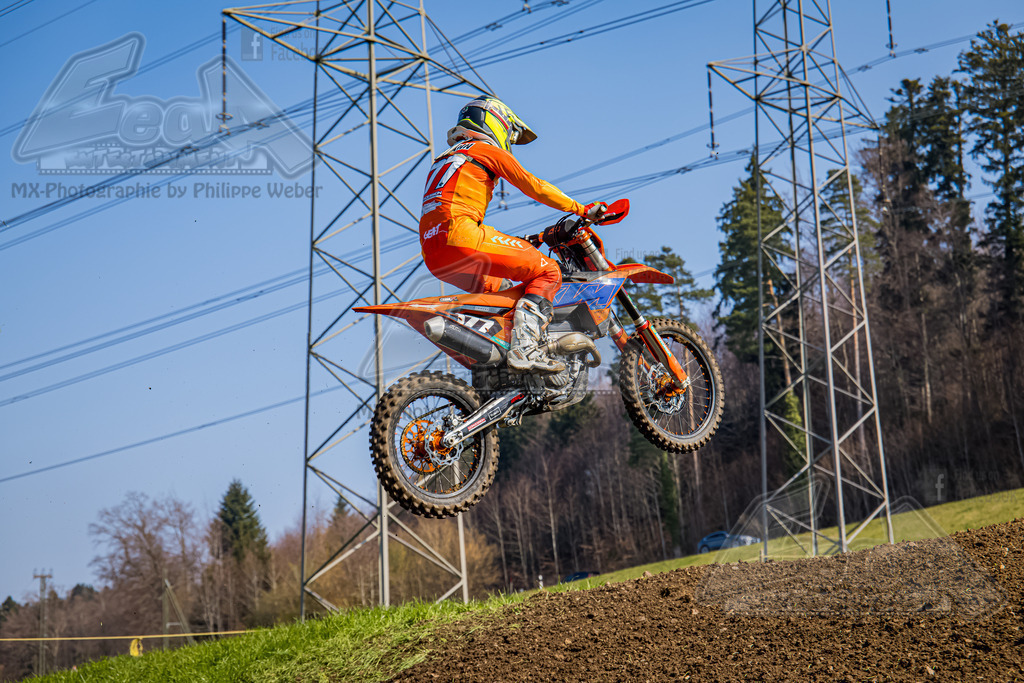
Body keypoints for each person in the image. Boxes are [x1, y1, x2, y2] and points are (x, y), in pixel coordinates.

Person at [419, 96, 606, 374]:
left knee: (499, 293)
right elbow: (533, 185)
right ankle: (525, 348)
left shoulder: (445, 159)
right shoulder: (484, 149)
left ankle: (495, 364)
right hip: (462, 237)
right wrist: (582, 209)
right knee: (549, 272)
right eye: (508, 132)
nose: (508, 140)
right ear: (495, 122)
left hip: (433, 252)